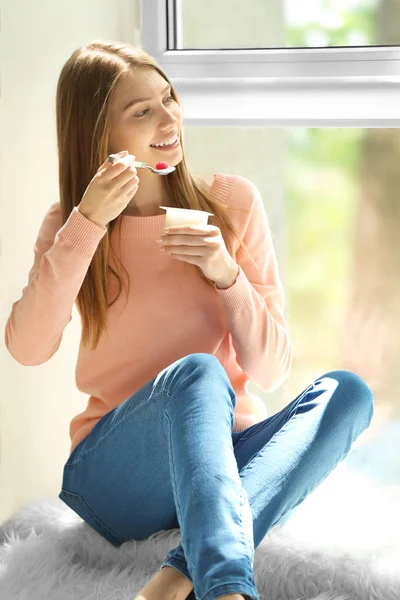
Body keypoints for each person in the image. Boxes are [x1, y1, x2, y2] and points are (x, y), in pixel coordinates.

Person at [4, 40, 374, 600]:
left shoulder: (233, 203)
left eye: (169, 97)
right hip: (116, 481)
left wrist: (226, 273)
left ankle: (175, 576)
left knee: (347, 392)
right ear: (99, 133)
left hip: (225, 457)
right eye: (142, 111)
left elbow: (270, 370)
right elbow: (29, 347)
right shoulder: (70, 223)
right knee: (198, 372)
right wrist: (87, 224)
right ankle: (226, 587)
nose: (169, 116)